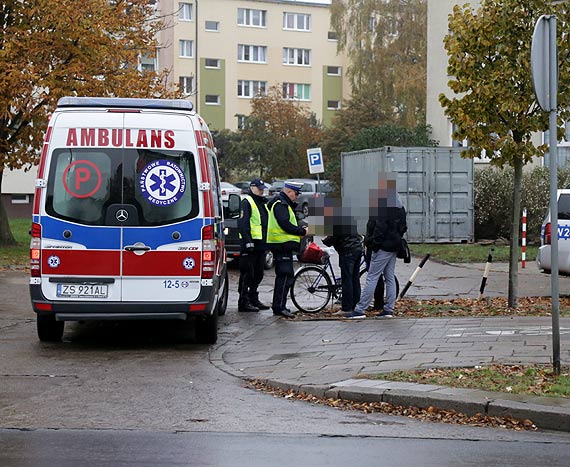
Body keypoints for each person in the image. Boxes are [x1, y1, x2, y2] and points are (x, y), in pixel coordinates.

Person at [344, 175, 407, 319]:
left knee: (372, 276)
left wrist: (373, 243)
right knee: (389, 277)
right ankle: (389, 309)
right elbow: (403, 227)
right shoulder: (399, 206)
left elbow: (379, 228)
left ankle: (360, 309)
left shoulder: (383, 206)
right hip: (394, 246)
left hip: (382, 247)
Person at [267, 181, 308, 317]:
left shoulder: (283, 204)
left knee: (285, 276)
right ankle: (279, 307)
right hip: (281, 244)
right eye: (296, 194)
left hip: (283, 245)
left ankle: (280, 306)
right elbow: (285, 224)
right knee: (285, 276)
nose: (297, 197)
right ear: (289, 191)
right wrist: (301, 231)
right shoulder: (281, 204)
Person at [321, 200, 363, 314]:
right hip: (357, 249)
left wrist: (325, 241)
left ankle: (346, 308)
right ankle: (355, 305)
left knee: (347, 280)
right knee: (355, 279)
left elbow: (335, 237)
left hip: (347, 251)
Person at [237, 178, 270, 312]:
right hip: (250, 244)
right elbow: (243, 223)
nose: (261, 191)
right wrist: (248, 241)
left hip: (261, 244)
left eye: (262, 188)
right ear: (252, 187)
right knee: (247, 274)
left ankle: (253, 298)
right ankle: (243, 302)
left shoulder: (262, 202)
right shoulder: (247, 202)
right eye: (259, 188)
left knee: (258, 274)